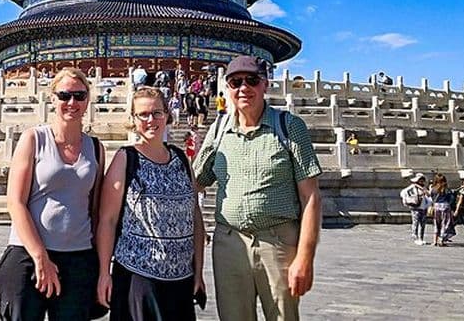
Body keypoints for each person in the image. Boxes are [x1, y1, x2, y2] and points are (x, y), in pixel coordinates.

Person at [194, 55, 322, 321]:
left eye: (252, 80)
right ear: (226, 89)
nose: (243, 88)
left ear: (265, 84)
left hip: (277, 241)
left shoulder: (289, 127)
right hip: (229, 243)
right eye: (235, 82)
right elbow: (193, 181)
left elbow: (310, 197)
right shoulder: (218, 130)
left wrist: (305, 258)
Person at [0, 67, 104, 320]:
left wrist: (101, 266)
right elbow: (15, 202)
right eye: (64, 95)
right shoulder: (33, 139)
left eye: (79, 95)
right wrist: (40, 257)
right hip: (28, 254)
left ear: (87, 100)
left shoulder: (96, 148)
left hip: (78, 258)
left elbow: (95, 209)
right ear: (52, 98)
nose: (72, 102)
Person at [96, 87, 204, 320]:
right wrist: (104, 273)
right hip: (138, 278)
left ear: (168, 114)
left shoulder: (182, 160)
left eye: (157, 113)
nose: (150, 120)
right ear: (133, 120)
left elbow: (195, 217)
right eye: (143, 114)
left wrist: (198, 272)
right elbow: (108, 220)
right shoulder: (126, 159)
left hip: (180, 278)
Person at [400, 173, 429, 245]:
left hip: (423, 208)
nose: (422, 182)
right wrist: (408, 200)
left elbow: (429, 196)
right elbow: (403, 193)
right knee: (415, 223)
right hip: (415, 208)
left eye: (423, 180)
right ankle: (415, 238)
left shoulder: (424, 188)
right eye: (420, 180)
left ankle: (421, 238)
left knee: (423, 224)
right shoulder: (413, 187)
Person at [429, 173, 454, 246]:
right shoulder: (447, 190)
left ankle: (434, 241)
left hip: (436, 207)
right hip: (445, 207)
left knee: (436, 224)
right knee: (444, 224)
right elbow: (451, 199)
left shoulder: (433, 189)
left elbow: (432, 198)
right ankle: (441, 240)